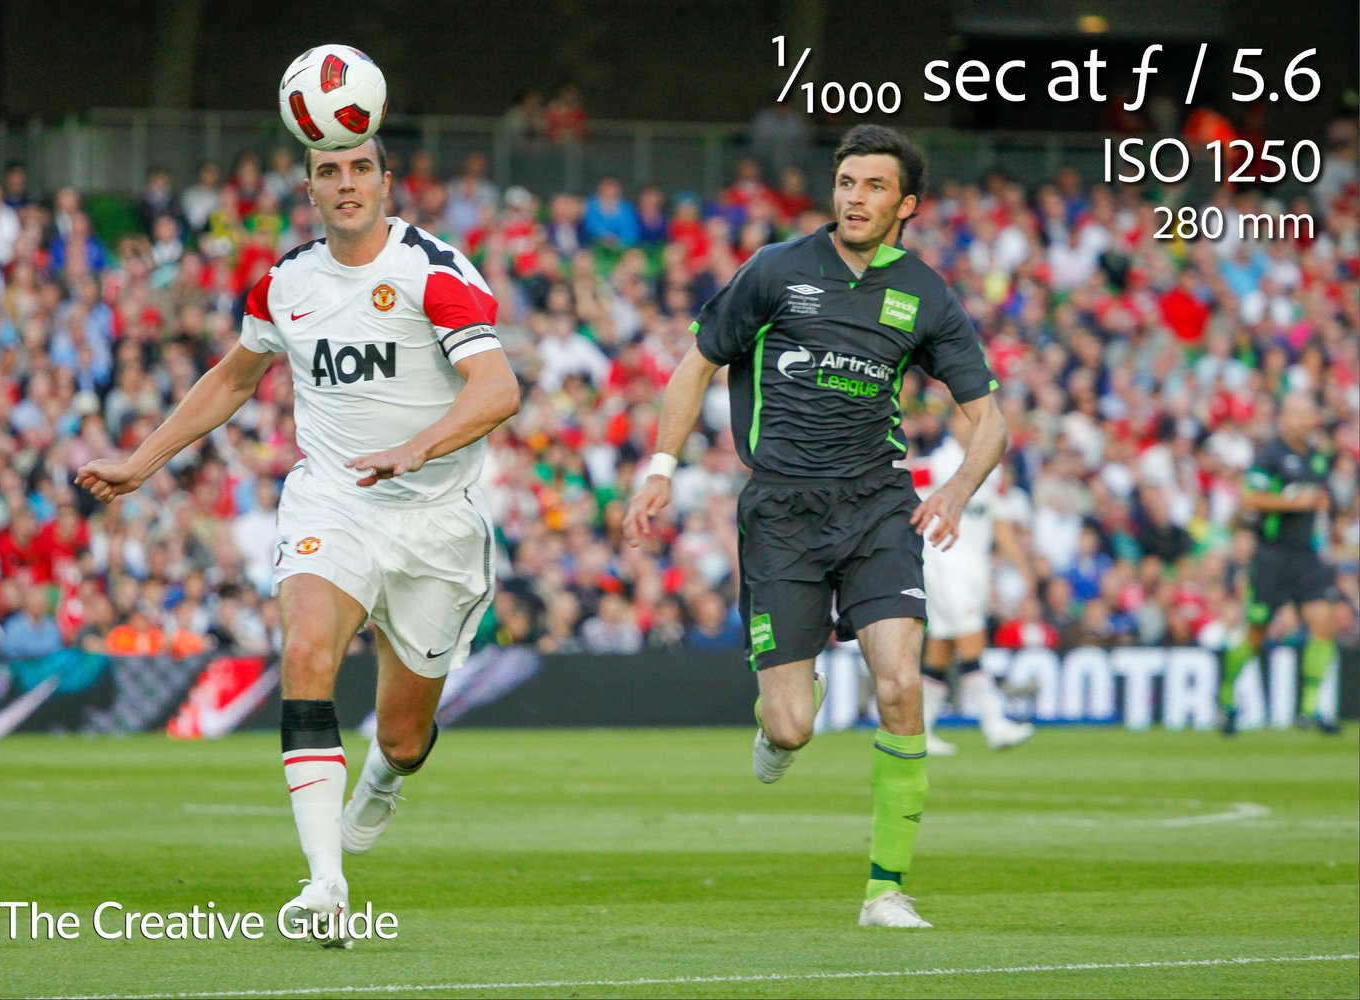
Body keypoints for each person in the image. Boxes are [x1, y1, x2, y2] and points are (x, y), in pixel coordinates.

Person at [76, 135, 520, 945]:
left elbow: (498, 388)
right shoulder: (286, 284)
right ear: (309, 190)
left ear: (387, 183)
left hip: (436, 524)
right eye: (328, 171)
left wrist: (416, 448)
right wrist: (142, 461)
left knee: (403, 736)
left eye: (360, 169)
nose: (345, 184)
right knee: (306, 651)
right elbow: (233, 379)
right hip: (333, 502)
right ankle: (326, 883)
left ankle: (383, 778)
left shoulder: (436, 272)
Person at [627, 125, 1006, 929]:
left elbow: (991, 419)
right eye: (846, 182)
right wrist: (659, 467)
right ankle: (779, 725)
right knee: (791, 724)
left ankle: (885, 890)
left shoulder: (928, 294)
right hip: (783, 513)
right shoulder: (776, 270)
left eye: (874, 187)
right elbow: (697, 363)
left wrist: (958, 491)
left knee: (902, 685)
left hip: (877, 506)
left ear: (906, 205)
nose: (855, 198)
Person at [910, 406, 1035, 755]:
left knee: (941, 647)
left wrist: (1025, 572)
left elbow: (1001, 523)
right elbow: (896, 480)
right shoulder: (936, 465)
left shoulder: (988, 471)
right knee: (971, 641)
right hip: (944, 562)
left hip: (975, 568)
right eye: (968, 419)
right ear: (953, 424)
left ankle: (920, 731)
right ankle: (995, 724)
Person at [1218, 393, 1341, 735]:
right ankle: (1226, 697)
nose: (1304, 420)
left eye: (1308, 413)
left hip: (1305, 555)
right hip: (1272, 556)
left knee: (1324, 622)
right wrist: (1292, 504)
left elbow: (1321, 499)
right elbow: (1250, 496)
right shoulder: (1270, 456)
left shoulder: (1317, 458)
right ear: (1284, 418)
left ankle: (1310, 709)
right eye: (1297, 414)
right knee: (1256, 631)